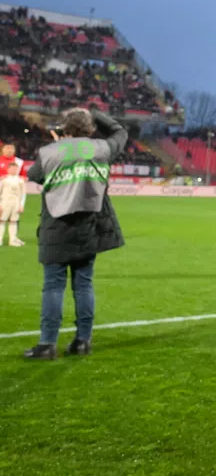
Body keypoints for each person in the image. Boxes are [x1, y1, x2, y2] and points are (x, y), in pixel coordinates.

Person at [23, 108, 127, 360]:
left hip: (56, 227)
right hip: (88, 226)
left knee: (53, 286)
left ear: (65, 128)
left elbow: (34, 175)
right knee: (83, 285)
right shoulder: (101, 148)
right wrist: (96, 113)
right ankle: (83, 341)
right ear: (90, 128)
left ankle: (47, 344)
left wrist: (61, 149)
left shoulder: (50, 151)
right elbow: (120, 131)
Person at [1, 161, 27, 246]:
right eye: (12, 169)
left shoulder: (20, 180)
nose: (14, 170)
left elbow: (23, 194)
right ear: (8, 169)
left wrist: (21, 205)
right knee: (2, 220)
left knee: (13, 221)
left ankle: (12, 240)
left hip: (16, 203)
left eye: (15, 169)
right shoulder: (3, 179)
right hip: (5, 202)